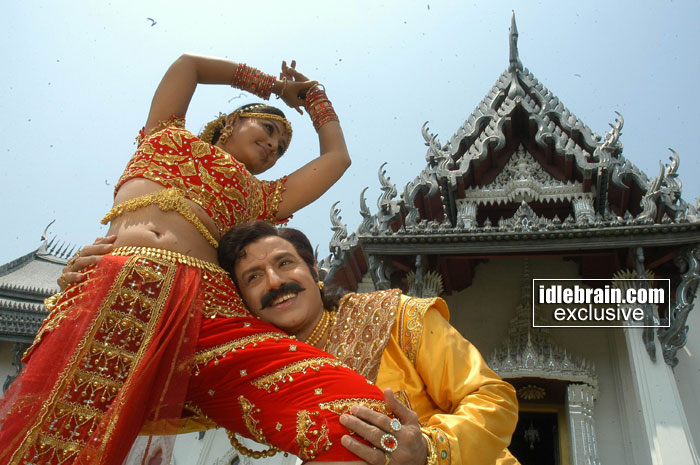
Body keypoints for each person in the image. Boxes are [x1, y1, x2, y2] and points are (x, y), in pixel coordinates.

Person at [0, 56, 390, 465]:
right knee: (56, 431)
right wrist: (277, 88)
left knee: (350, 414)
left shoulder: (261, 196)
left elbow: (337, 159)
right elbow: (188, 66)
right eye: (269, 129)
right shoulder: (164, 134)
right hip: (115, 280)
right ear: (232, 121)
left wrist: (316, 100)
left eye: (280, 150)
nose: (274, 147)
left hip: (206, 309)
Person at [216, 221, 521, 465]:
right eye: (253, 277)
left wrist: (429, 450)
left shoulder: (395, 316)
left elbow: (493, 399)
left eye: (284, 263)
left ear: (313, 271)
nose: (274, 281)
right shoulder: (266, 378)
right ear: (246, 304)